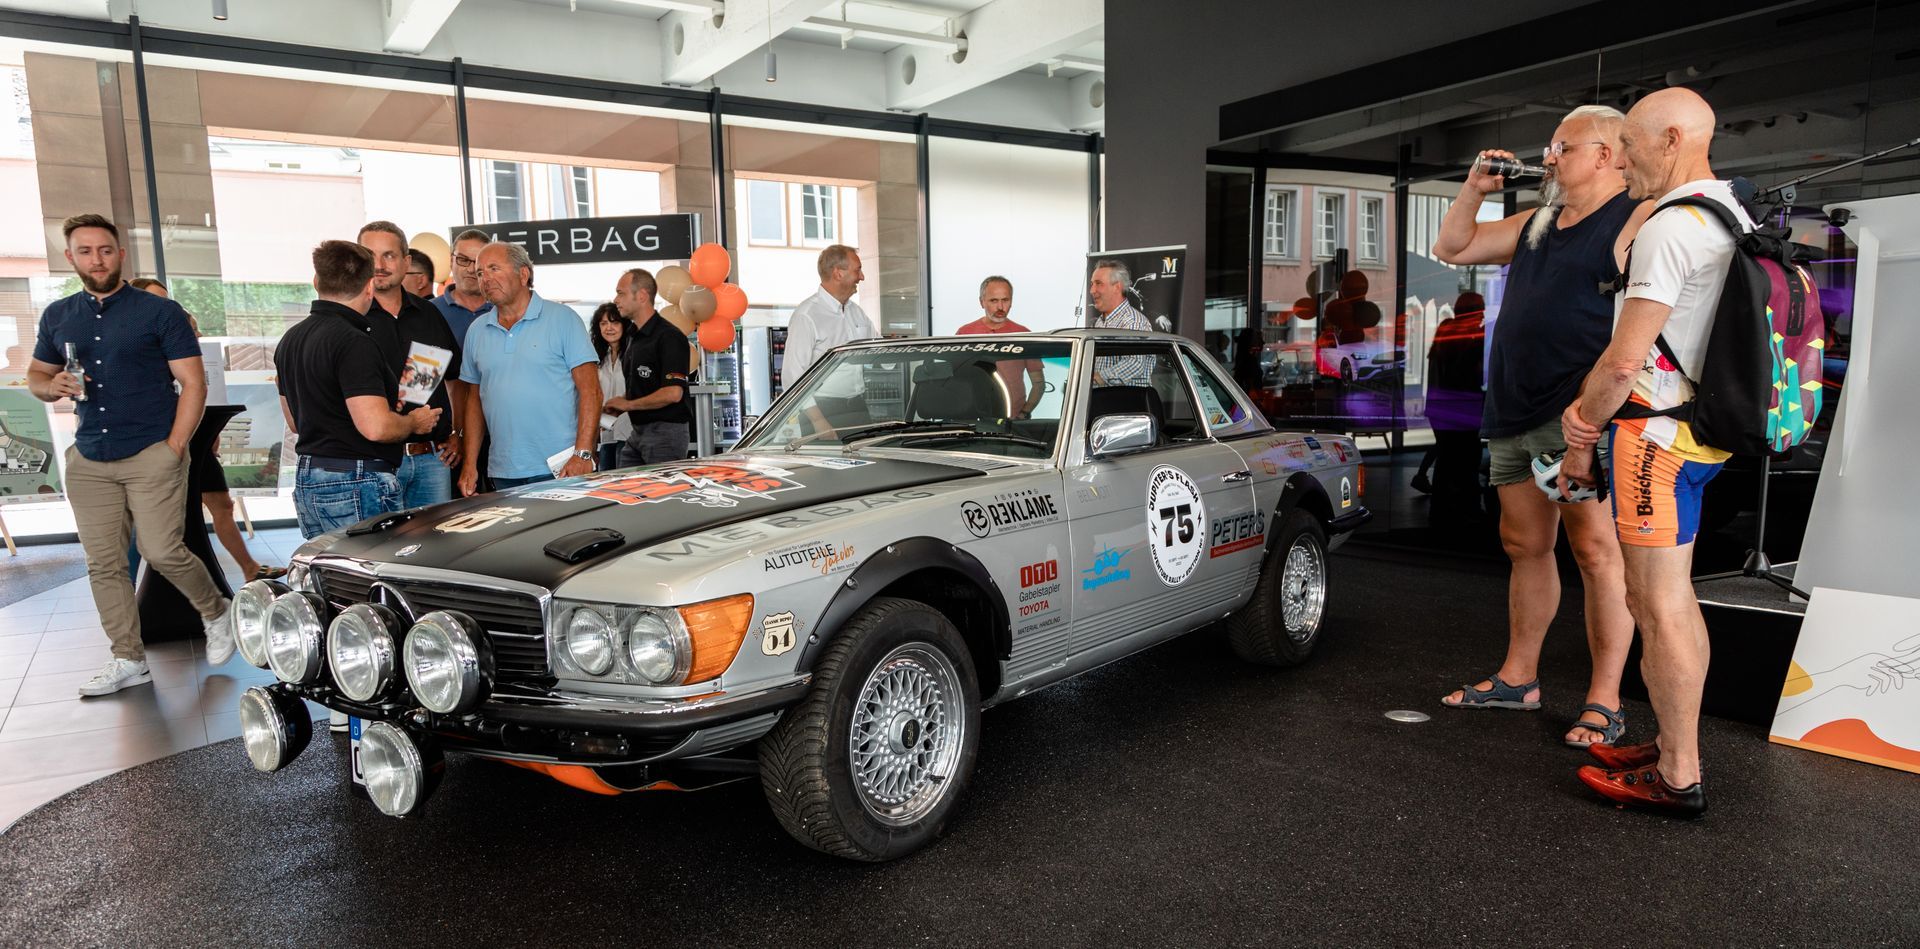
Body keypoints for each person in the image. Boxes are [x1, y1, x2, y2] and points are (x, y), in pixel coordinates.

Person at [1427, 104, 1651, 748]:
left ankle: (1604, 700)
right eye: (1550, 148)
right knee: (1524, 545)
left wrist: (1594, 411)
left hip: (1576, 415)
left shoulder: (1634, 218)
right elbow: (1452, 247)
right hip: (1513, 408)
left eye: (1562, 148)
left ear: (1607, 155)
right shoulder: (1537, 221)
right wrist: (1474, 189)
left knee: (1596, 553)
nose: (1549, 158)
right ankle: (1518, 679)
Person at [1560, 88, 1743, 817]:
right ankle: (1673, 742)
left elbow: (1621, 362)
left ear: (1671, 140)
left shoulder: (1672, 229)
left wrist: (1580, 428)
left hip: (1654, 441)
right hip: (1700, 434)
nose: (1621, 161)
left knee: (1655, 606)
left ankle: (1677, 772)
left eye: (1631, 146)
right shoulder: (1726, 212)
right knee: (1674, 599)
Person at [26, 214, 234, 696]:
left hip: (151, 452)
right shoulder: (58, 315)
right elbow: (36, 375)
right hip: (89, 457)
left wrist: (175, 447)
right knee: (104, 564)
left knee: (162, 551)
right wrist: (50, 386)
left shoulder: (159, 312)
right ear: (70, 258)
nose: (96, 260)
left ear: (120, 255)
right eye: (85, 251)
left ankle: (216, 610)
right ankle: (128, 658)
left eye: (105, 250)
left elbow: (194, 383)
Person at [276, 240, 439, 539]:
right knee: (373, 566)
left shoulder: (291, 339)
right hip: (356, 478)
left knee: (330, 566)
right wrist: (414, 422)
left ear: (316, 281)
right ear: (369, 287)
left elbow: (295, 422)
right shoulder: (353, 341)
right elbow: (376, 428)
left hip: (309, 475)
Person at [128, 277, 283, 581]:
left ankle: (249, 568)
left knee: (221, 504)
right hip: (158, 447)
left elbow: (196, 391)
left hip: (195, 441)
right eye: (156, 300)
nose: (165, 307)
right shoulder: (136, 351)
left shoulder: (177, 340)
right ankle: (136, 588)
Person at [457, 241, 600, 494]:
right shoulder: (477, 330)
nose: (485, 279)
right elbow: (474, 401)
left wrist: (583, 454)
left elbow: (592, 391)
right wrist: (469, 464)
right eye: (480, 273)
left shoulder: (563, 319)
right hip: (503, 470)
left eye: (494, 269)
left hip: (562, 466)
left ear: (523, 274)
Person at [358, 221, 467, 508]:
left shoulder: (429, 314)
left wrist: (457, 433)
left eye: (389, 255)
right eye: (370, 256)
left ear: (406, 262)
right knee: (381, 538)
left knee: (437, 536)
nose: (379, 265)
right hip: (374, 462)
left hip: (432, 459)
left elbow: (453, 379)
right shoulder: (351, 319)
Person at [783, 244, 876, 437]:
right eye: (857, 270)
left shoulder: (856, 311)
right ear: (838, 273)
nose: (862, 277)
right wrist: (818, 421)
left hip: (857, 406)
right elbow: (792, 377)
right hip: (822, 411)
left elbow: (878, 351)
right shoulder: (806, 315)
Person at [608, 267, 691, 467]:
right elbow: (647, 385)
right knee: (625, 483)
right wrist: (622, 403)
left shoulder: (669, 337)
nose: (616, 300)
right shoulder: (633, 336)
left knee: (659, 488)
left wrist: (628, 405)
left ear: (642, 296)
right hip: (637, 431)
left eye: (621, 293)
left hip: (666, 433)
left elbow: (673, 393)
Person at [955, 275, 1044, 418]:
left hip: (1013, 421)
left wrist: (1023, 414)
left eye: (1005, 300)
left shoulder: (1024, 335)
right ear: (982, 302)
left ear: (1011, 301)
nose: (1000, 307)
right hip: (973, 420)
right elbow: (955, 381)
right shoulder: (965, 333)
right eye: (994, 301)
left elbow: (1038, 383)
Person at [1088, 259, 1152, 386]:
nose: (1092, 290)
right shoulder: (1100, 322)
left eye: (1098, 283)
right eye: (1092, 284)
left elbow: (1135, 363)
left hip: (1128, 398)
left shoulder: (1133, 321)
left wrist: (1094, 380)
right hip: (1104, 397)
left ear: (1117, 287)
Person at [589, 303, 633, 471]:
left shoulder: (634, 353)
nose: (609, 328)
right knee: (606, 480)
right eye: (603, 323)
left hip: (630, 433)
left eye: (614, 322)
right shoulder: (598, 358)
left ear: (624, 325)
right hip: (606, 433)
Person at [433, 228, 494, 346]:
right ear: (451, 261)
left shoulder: (504, 309)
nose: (471, 269)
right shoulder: (429, 311)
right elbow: (419, 358)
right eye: (463, 260)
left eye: (478, 262)